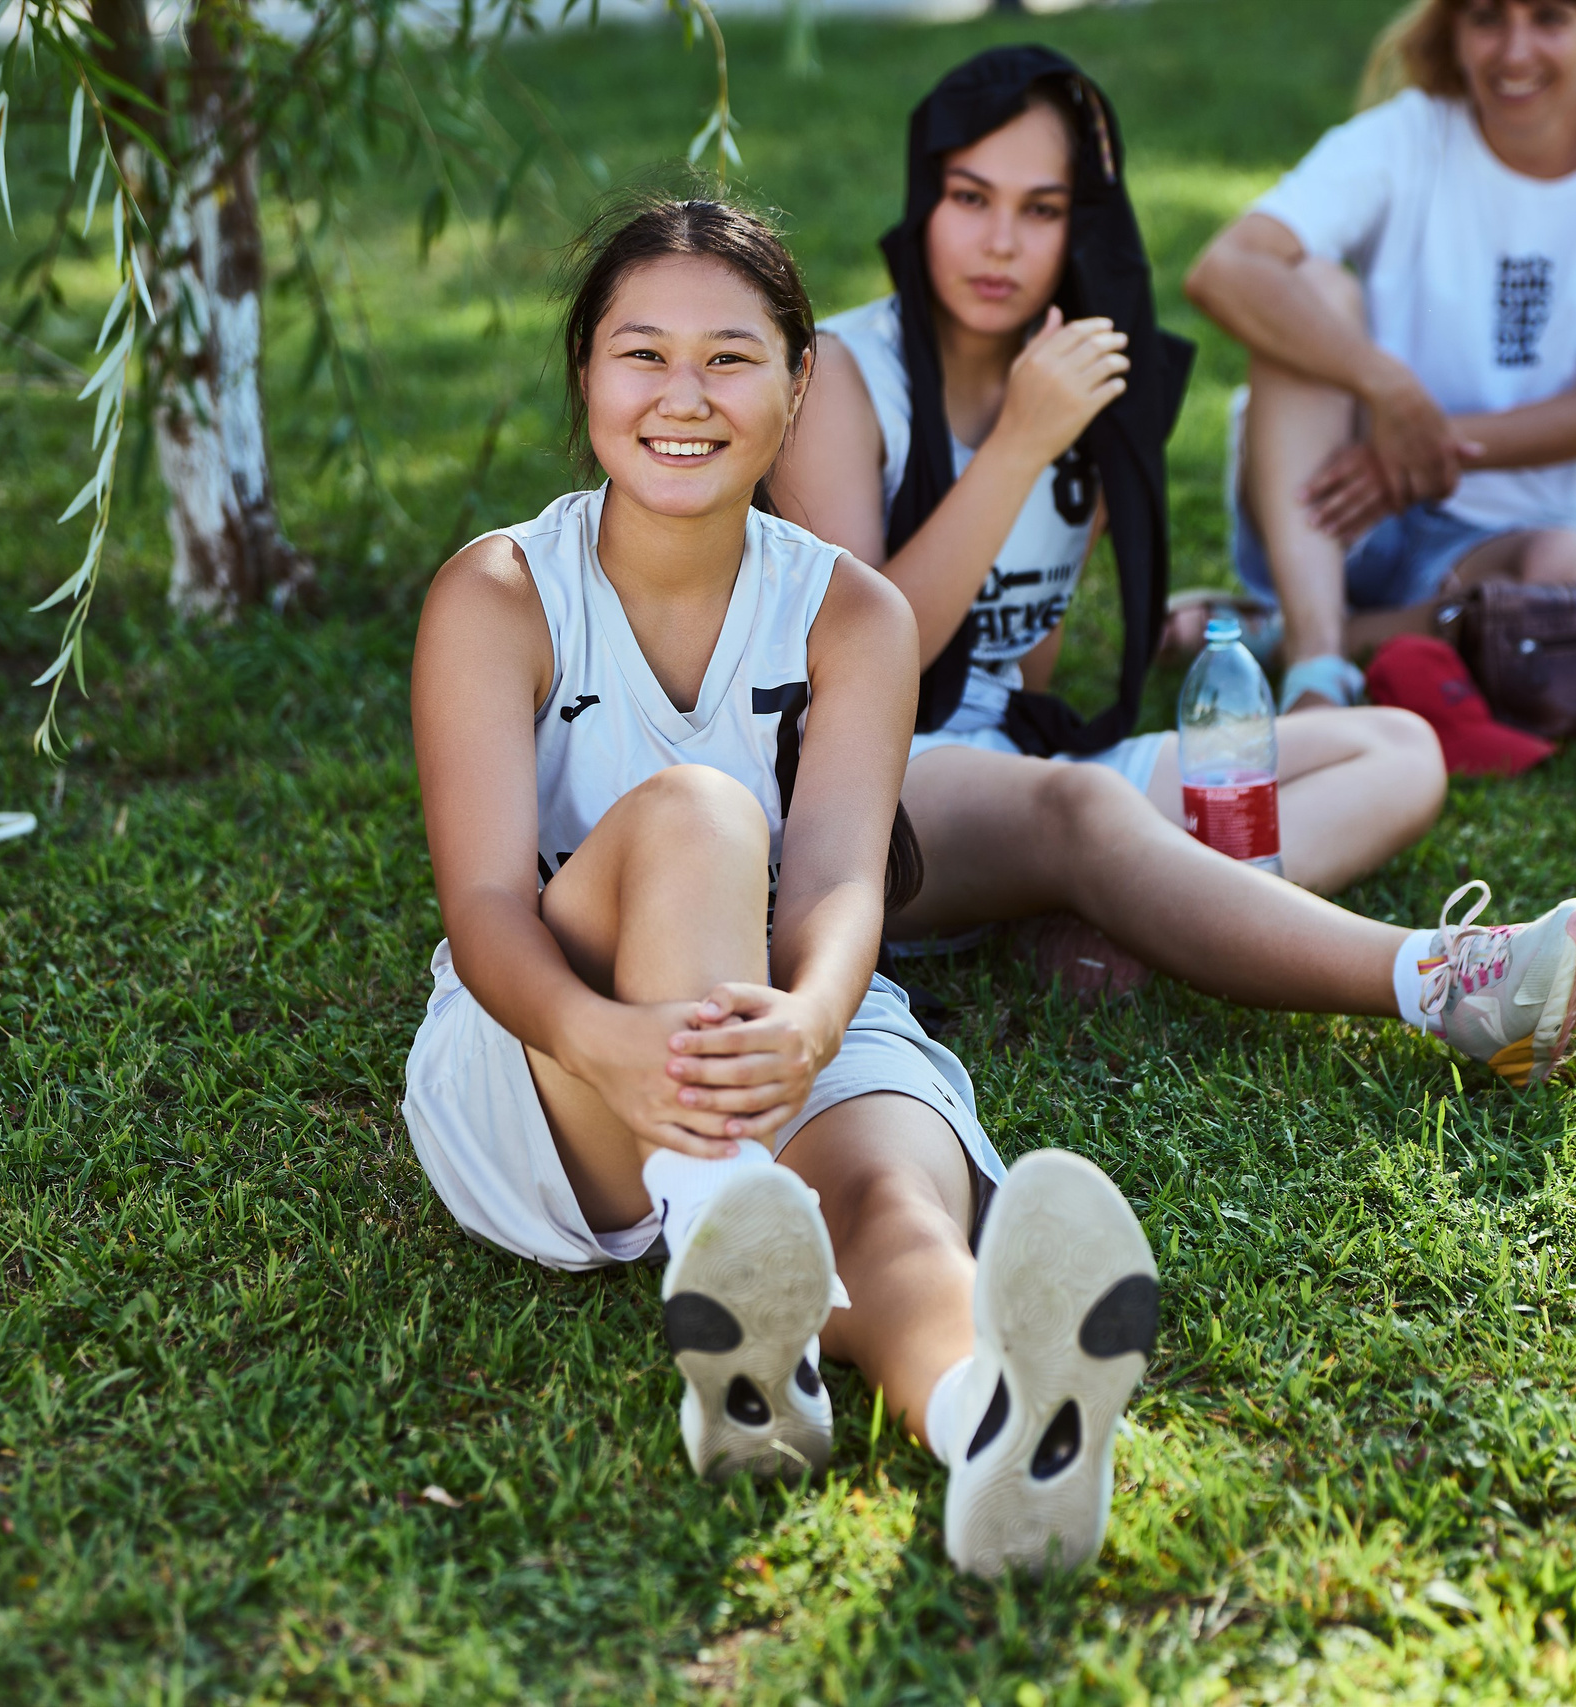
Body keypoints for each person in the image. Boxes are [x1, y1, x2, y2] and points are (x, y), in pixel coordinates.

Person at [404, 194, 1164, 1579]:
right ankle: (722, 1226)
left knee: (895, 1209)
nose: (682, 396)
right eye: (642, 354)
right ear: (584, 374)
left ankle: (989, 1425)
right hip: (551, 1049)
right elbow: (488, 914)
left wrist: (813, 1024)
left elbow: (834, 888)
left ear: (800, 384)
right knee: (700, 811)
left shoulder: (850, 612)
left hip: (784, 1004)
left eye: (732, 357)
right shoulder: (501, 592)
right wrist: (611, 1041)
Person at [772, 45, 1576, 1089]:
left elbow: (1019, 681)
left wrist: (1050, 432)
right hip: (857, 802)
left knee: (1396, 748)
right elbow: (858, 670)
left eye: (1042, 209)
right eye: (968, 197)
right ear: (923, 200)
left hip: (1006, 788)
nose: (999, 242)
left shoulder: (1077, 382)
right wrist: (1017, 451)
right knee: (1083, 810)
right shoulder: (842, 378)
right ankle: (1449, 983)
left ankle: (1138, 920)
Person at [1181, 0, 1576, 711]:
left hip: (1519, 535)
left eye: (1551, 18)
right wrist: (1387, 389)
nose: (1515, 51)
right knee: (1305, 283)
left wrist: (1413, 453)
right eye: (1487, 18)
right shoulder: (1407, 134)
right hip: (1337, 513)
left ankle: (1294, 636)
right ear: (1455, 30)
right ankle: (1315, 665)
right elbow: (1224, 269)